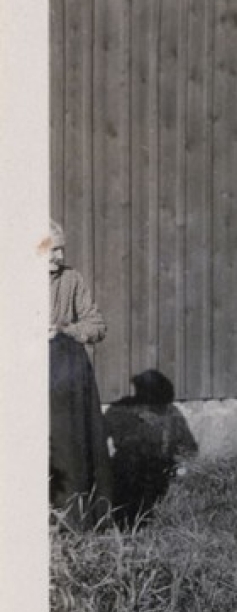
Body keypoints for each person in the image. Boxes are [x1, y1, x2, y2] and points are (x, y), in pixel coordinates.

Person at [49, 220, 113, 527]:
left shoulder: (71, 279)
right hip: (24, 376)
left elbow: (97, 325)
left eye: (61, 249)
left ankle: (73, 522)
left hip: (65, 378)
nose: (58, 256)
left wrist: (65, 330)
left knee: (69, 450)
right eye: (50, 250)